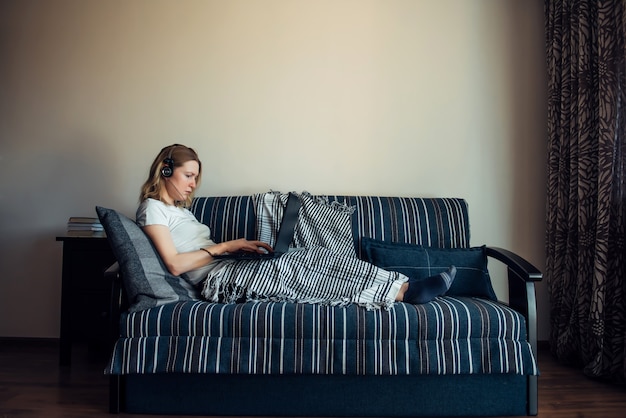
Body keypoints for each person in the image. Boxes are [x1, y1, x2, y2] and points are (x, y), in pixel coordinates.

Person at [137, 144, 456, 306]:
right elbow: (176, 264)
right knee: (297, 268)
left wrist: (235, 250)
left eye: (195, 177)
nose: (193, 184)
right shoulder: (152, 210)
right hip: (218, 282)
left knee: (314, 254)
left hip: (229, 266)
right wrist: (227, 246)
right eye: (188, 175)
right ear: (166, 172)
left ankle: (403, 286)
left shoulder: (179, 212)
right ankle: (402, 293)